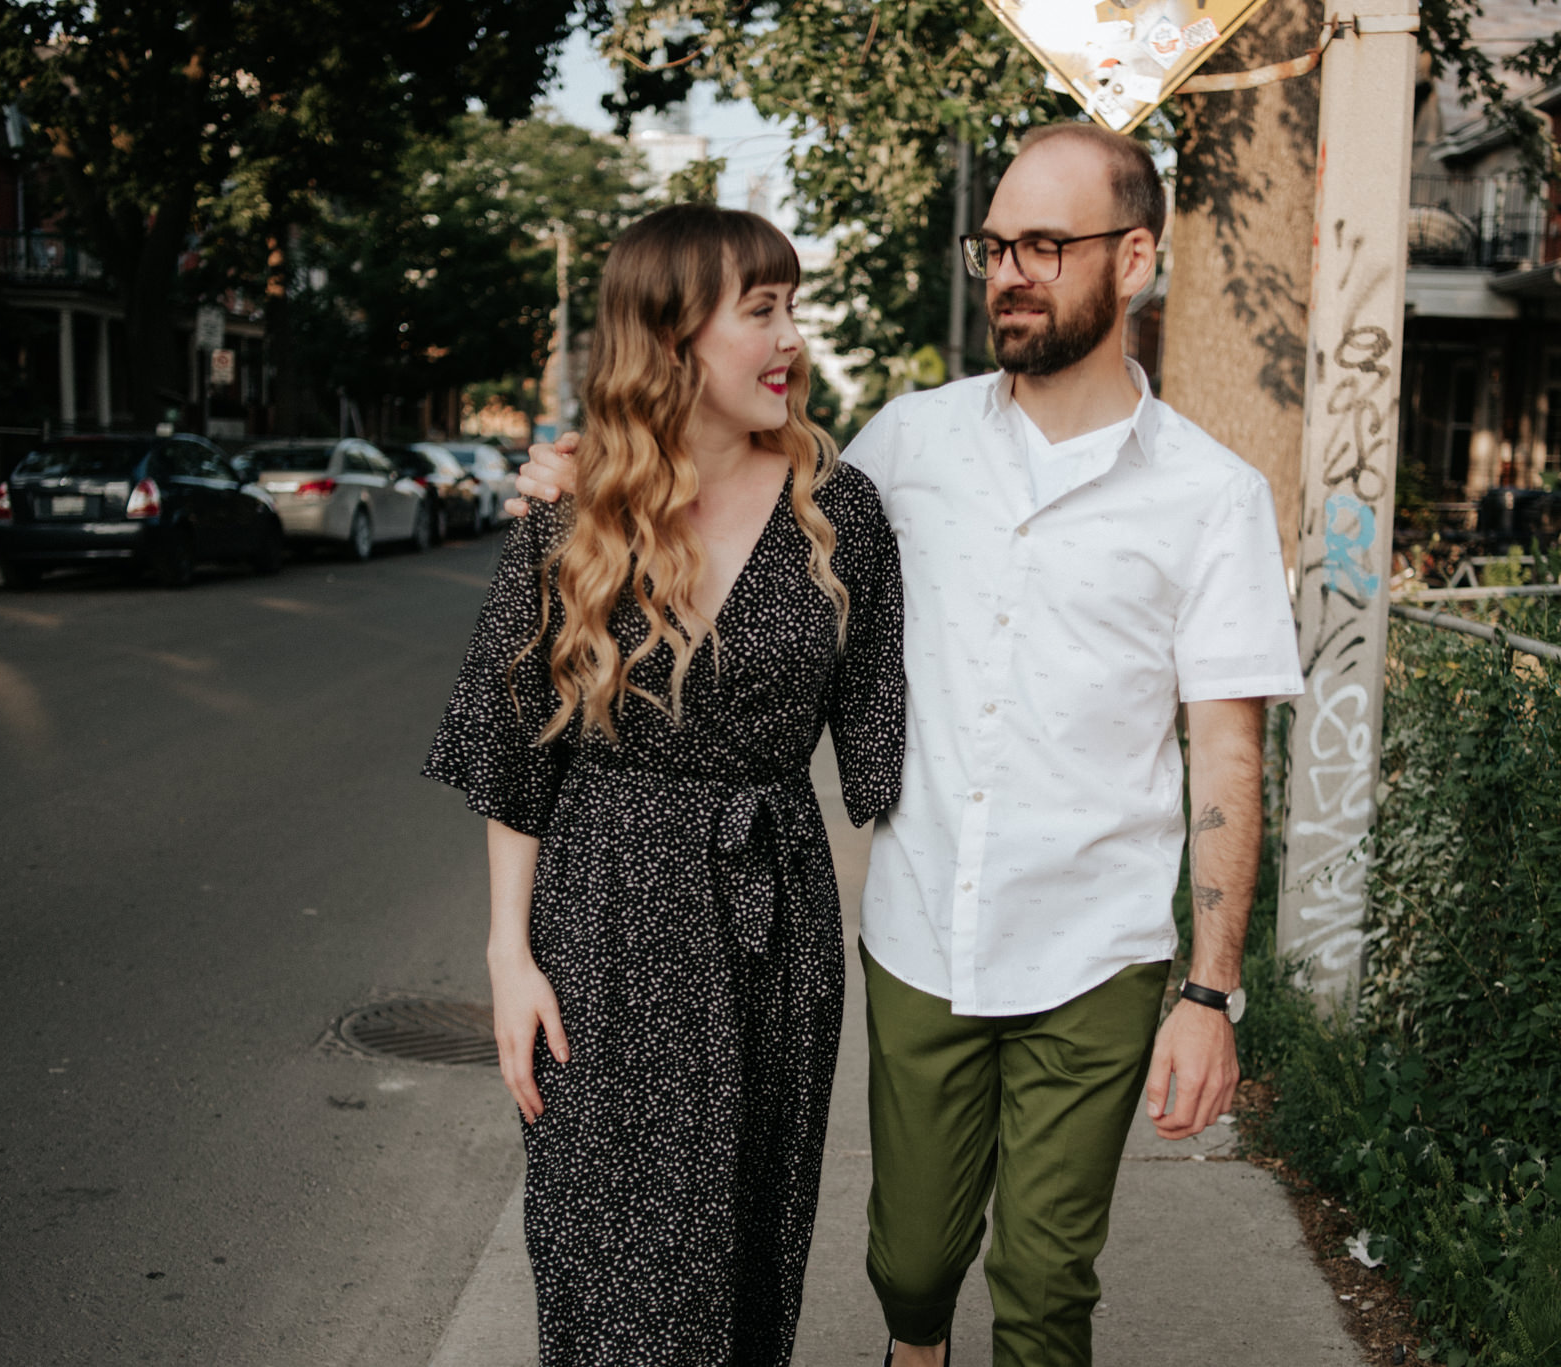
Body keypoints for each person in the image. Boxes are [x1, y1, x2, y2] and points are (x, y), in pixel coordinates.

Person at [514, 123, 1302, 1367]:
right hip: (923, 928)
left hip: (1095, 941)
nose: (1009, 272)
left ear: (1135, 257)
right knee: (912, 1265)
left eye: (1045, 244)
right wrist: (581, 468)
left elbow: (1228, 751)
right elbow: (731, 487)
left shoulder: (1209, 497)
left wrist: (1208, 989)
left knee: (1045, 1285)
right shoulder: (901, 448)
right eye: (993, 246)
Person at [423, 203, 906, 1367]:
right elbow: (510, 757)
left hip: (772, 922)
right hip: (602, 921)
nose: (791, 336)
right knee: (602, 1251)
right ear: (672, 333)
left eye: (792, 305)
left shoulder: (844, 516)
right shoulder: (571, 515)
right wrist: (507, 958)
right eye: (762, 310)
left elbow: (890, 754)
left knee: (745, 1251)